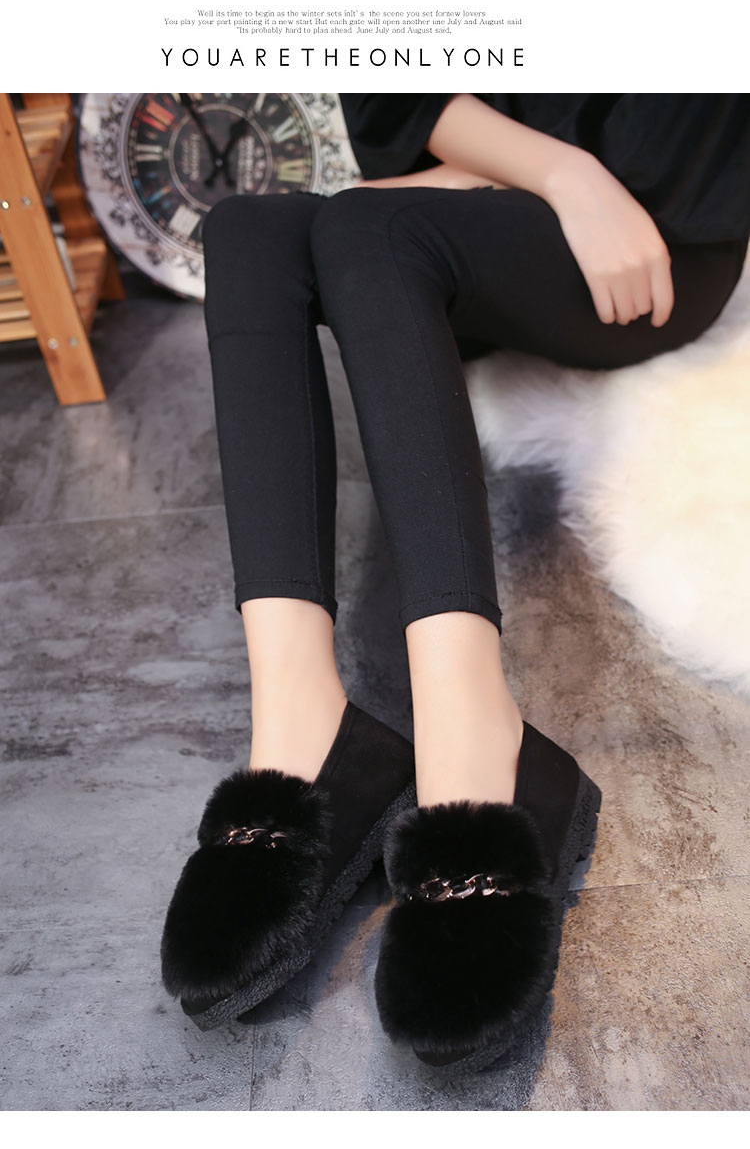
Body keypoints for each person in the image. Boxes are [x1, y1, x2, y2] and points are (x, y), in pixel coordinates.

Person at [160, 94, 750, 1067]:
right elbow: (398, 81)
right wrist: (546, 168)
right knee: (248, 229)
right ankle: (301, 725)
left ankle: (474, 738)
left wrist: (576, 181)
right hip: (494, 192)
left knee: (371, 229)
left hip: (644, 233)